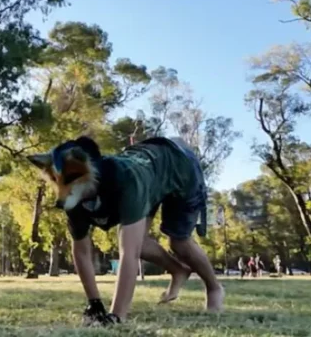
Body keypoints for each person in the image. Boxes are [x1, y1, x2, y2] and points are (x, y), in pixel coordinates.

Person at [27, 136, 225, 326]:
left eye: (70, 181)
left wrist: (116, 316)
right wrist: (94, 303)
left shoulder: (127, 182)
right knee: (142, 244)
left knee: (178, 243)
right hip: (151, 172)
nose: (62, 192)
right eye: (56, 180)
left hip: (179, 167)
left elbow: (128, 254)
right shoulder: (74, 202)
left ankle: (214, 288)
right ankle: (178, 270)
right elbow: (81, 251)